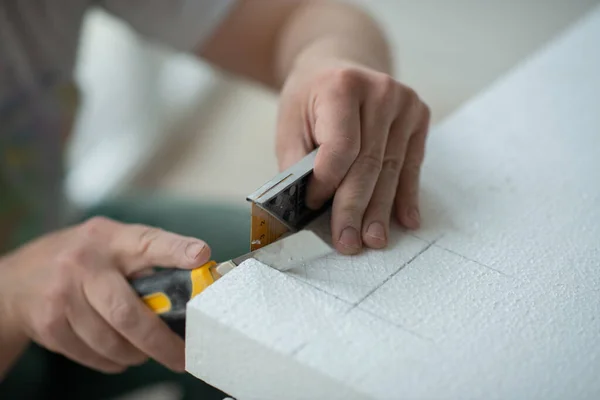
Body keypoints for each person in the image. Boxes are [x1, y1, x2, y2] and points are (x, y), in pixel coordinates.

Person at [0, 0, 430, 399]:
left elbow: (303, 16)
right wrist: (11, 294)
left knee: (308, 281)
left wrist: (331, 61)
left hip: (57, 233)